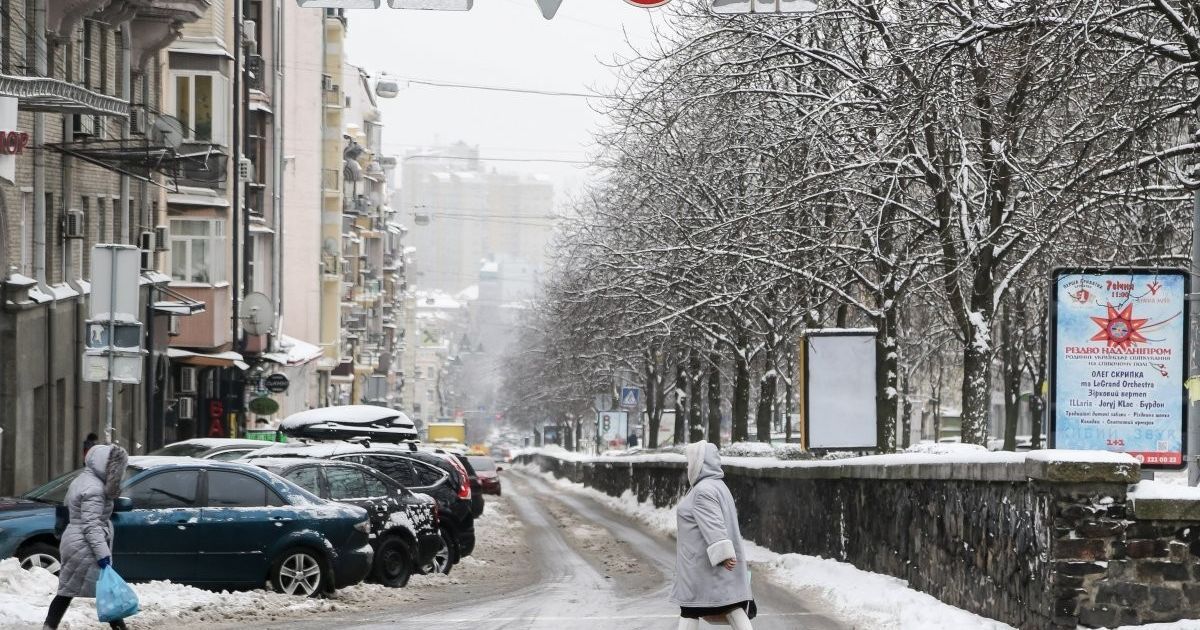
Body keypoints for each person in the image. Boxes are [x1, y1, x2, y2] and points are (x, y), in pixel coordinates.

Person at [43, 443, 130, 630]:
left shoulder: (81, 480)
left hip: (73, 540)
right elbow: (91, 525)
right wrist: (103, 555)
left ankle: (49, 626)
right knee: (107, 590)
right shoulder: (96, 490)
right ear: (110, 467)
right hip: (85, 544)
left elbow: (66, 509)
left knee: (67, 590)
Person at [671, 441, 755, 630]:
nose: (687, 466)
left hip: (700, 567)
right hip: (706, 566)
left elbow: (713, 524)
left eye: (689, 461)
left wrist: (724, 555)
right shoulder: (717, 486)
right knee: (731, 606)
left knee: (690, 609)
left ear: (699, 462)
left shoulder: (702, 491)